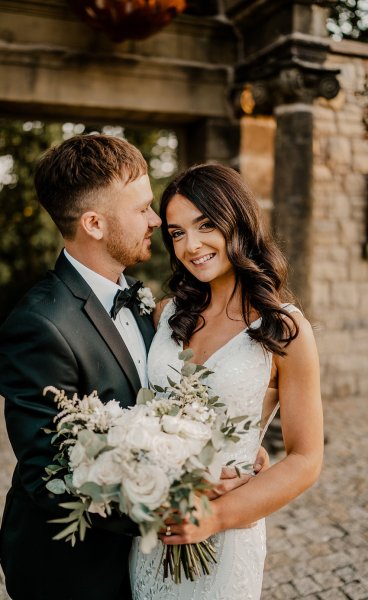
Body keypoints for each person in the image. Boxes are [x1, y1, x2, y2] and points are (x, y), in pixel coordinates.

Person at [0, 135, 267, 600]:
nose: (157, 221)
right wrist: (184, 495)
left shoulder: (146, 301)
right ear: (95, 223)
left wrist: (222, 449)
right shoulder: (38, 325)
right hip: (76, 571)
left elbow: (163, 401)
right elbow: (50, 474)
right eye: (142, 208)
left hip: (147, 562)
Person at [129, 163, 323, 599]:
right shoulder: (165, 315)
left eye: (206, 225)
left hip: (227, 531)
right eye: (177, 233)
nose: (191, 245)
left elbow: (306, 459)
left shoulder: (284, 331)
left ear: (237, 220)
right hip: (153, 527)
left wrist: (215, 517)